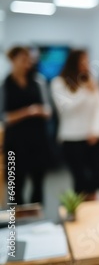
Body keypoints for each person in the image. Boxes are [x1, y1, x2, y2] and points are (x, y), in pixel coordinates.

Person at [50, 49, 99, 200]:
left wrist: (97, 130)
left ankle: (94, 209)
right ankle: (80, 214)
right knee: (80, 181)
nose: (86, 65)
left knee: (96, 179)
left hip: (93, 137)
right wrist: (85, 91)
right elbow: (66, 108)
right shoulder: (59, 83)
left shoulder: (91, 81)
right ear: (73, 62)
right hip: (71, 139)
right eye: (82, 61)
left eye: (87, 61)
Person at [1, 46, 52, 205]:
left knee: (38, 183)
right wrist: (28, 112)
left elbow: (48, 110)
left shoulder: (38, 81)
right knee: (15, 185)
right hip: (14, 143)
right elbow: (4, 116)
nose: (27, 64)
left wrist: (40, 111)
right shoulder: (5, 85)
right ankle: (15, 224)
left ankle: (37, 223)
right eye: (23, 60)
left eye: (29, 60)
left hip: (37, 141)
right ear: (13, 60)